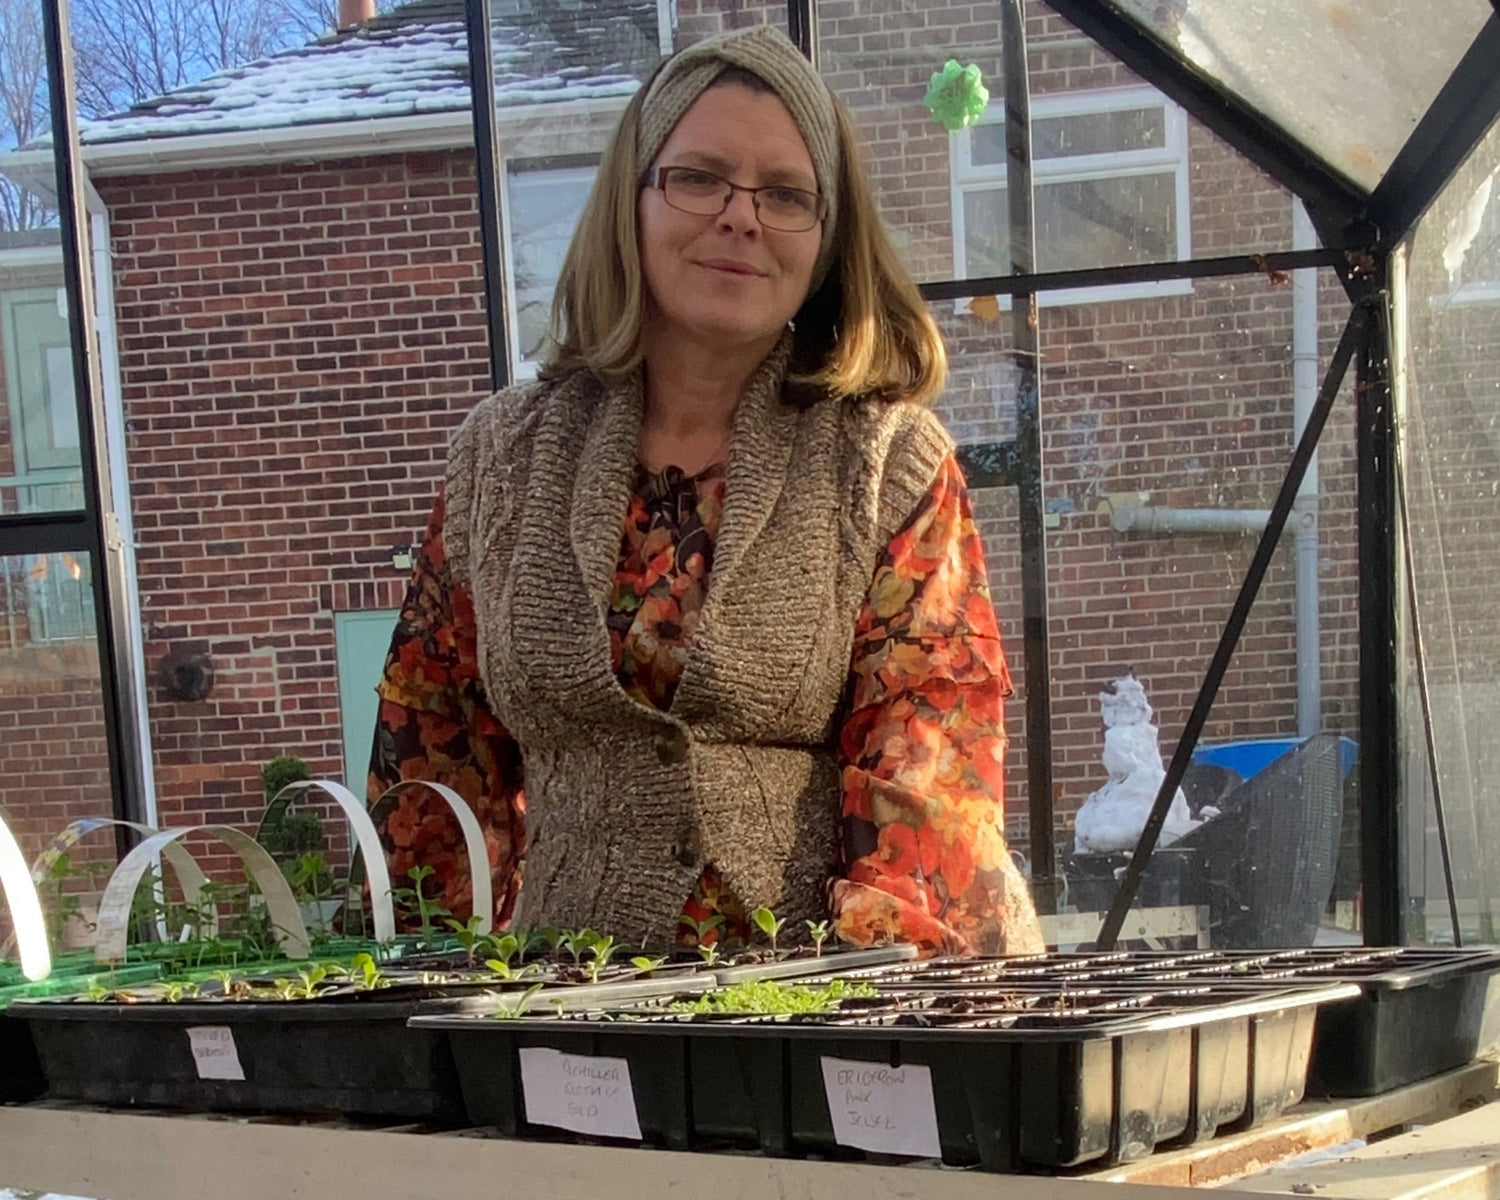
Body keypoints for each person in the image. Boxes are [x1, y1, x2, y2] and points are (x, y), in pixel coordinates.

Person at [367, 23, 1043, 958]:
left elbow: (928, 777)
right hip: (569, 1020)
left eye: (786, 194)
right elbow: (432, 761)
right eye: (700, 177)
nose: (741, 216)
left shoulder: (889, 464)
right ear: (632, 201)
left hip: (821, 1021)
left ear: (826, 238)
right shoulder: (501, 459)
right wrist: (424, 997)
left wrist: (870, 1025)